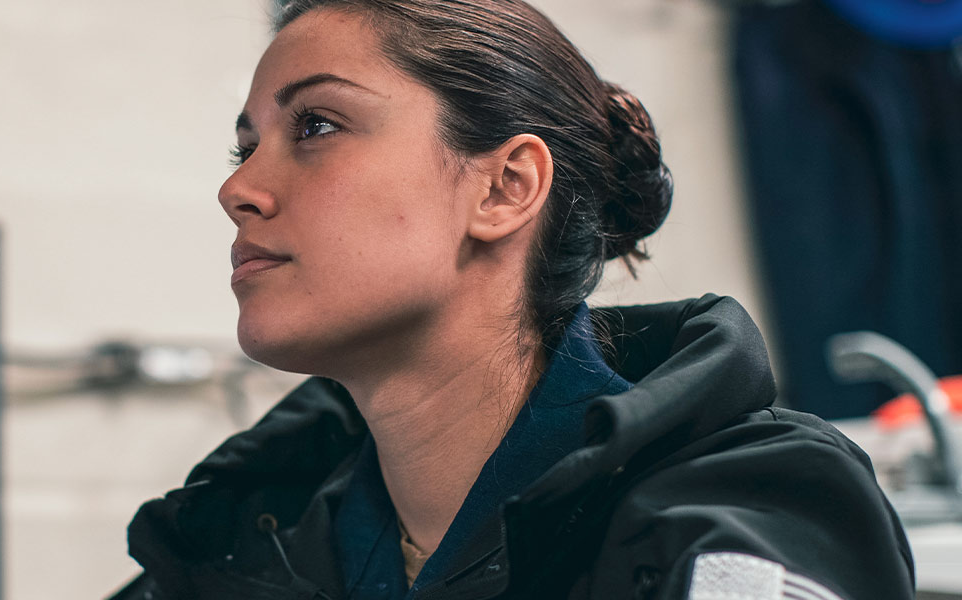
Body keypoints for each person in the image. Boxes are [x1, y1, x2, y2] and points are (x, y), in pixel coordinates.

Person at [111, 0, 914, 598]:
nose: (238, 188)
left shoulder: (743, 520)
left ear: (504, 188)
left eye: (316, 126)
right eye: (246, 146)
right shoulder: (239, 532)